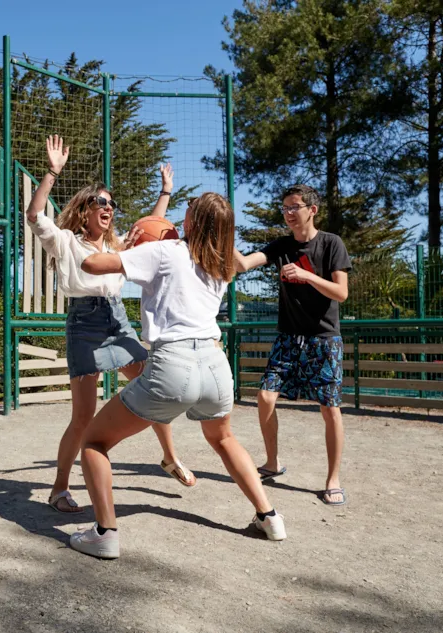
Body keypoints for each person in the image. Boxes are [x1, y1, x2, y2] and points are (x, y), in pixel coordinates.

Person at [70, 193, 286, 559]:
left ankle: (105, 533)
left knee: (93, 442)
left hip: (173, 363)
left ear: (191, 221)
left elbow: (92, 263)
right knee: (224, 439)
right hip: (216, 365)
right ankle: (270, 517)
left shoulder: (165, 251)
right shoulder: (222, 265)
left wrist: (128, 245)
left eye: (187, 211)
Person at [26, 135, 196, 515]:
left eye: (111, 204)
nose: (108, 207)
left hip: (118, 320)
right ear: (85, 209)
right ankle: (58, 488)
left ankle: (169, 457)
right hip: (85, 324)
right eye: (100, 202)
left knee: (153, 387)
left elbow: (151, 230)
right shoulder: (67, 241)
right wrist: (52, 172)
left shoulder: (119, 249)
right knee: (83, 417)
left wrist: (165, 192)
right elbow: (35, 215)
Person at [235, 184, 351, 507]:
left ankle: (333, 479)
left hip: (324, 340)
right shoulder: (282, 245)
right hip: (288, 339)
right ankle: (272, 463)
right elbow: (243, 265)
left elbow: (341, 293)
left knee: (330, 409)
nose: (288, 213)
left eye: (294, 207)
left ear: (312, 210)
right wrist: (222, 232)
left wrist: (305, 275)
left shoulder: (331, 244)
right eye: (284, 208)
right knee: (264, 396)